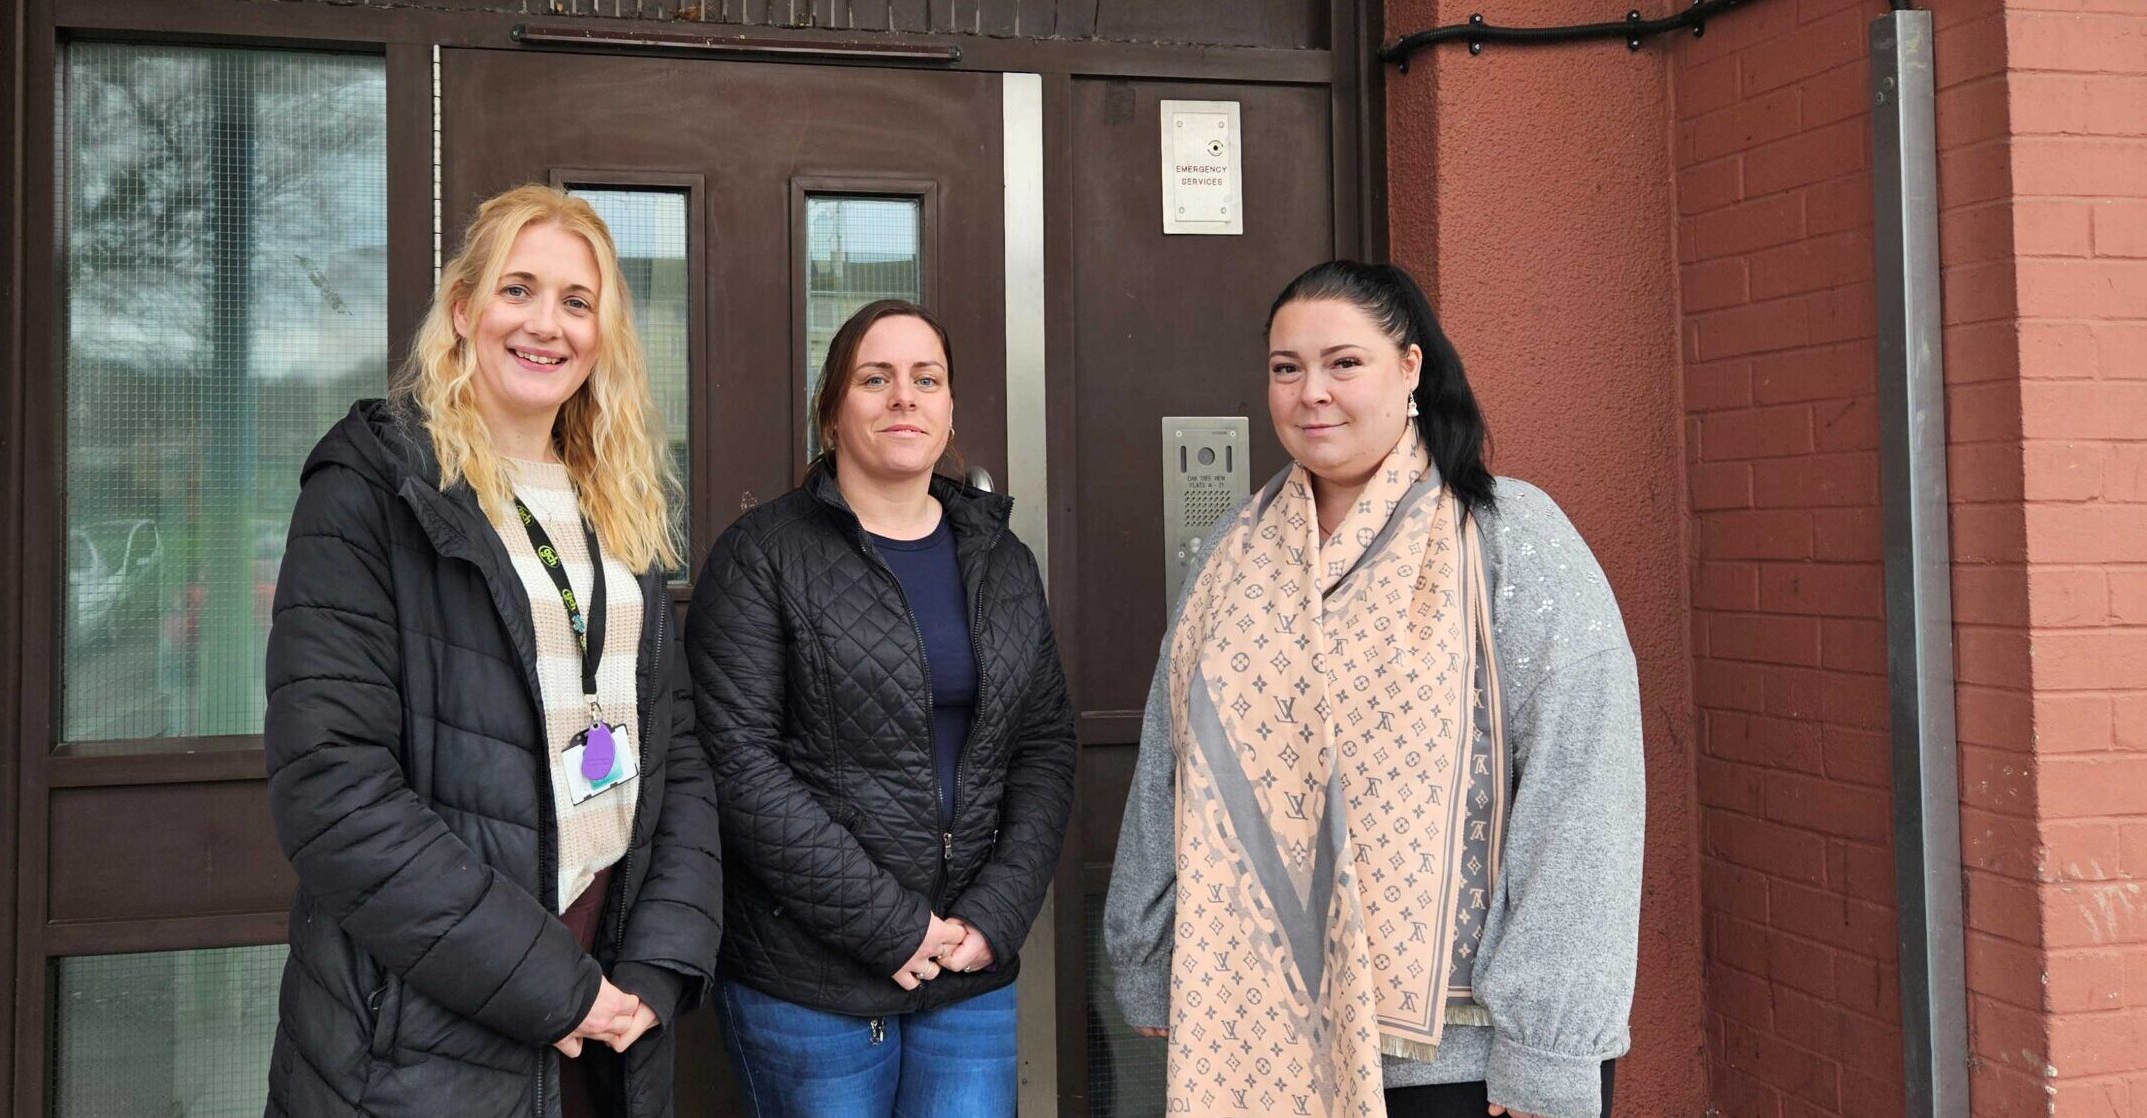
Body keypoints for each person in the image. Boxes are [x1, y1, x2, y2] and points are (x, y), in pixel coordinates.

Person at [1104, 260, 1643, 1118]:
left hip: (1461, 1062)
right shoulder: (1232, 556)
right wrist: (1148, 952)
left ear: (1410, 367)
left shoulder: (1508, 539)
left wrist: (1548, 1042)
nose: (1311, 392)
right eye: (1287, 368)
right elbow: (1169, 764)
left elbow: (1584, 794)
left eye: (1344, 363)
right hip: (1251, 1033)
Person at [263, 184, 720, 1118]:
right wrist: (552, 985)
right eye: (519, 290)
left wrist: (659, 966)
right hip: (425, 1034)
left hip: (609, 1012)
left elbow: (676, 757)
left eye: (577, 301)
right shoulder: (372, 490)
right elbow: (332, 788)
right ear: (464, 309)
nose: (546, 324)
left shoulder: (617, 510)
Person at [688, 299, 1078, 1118]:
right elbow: (738, 765)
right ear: (831, 412)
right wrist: (891, 925)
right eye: (875, 379)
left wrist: (996, 915)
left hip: (967, 969)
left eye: (926, 379)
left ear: (949, 409)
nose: (904, 397)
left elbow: (1044, 747)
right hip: (812, 977)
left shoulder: (1003, 561)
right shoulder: (761, 556)